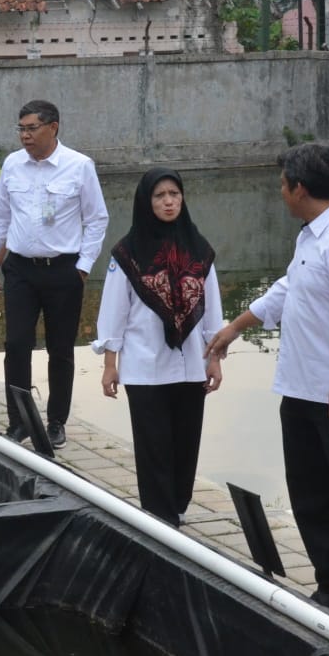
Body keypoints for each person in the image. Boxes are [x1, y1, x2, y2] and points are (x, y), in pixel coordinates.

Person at [206, 143, 329, 647]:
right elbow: (289, 289)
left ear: (299, 188)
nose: (280, 193)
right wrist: (235, 328)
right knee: (311, 493)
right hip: (301, 387)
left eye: (282, 185)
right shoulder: (311, 238)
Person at [93, 168, 223, 525]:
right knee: (153, 449)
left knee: (185, 444)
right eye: (160, 196)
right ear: (146, 201)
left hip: (191, 365)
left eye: (174, 195)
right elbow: (114, 313)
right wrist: (109, 364)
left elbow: (212, 310)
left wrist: (214, 358)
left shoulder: (199, 250)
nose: (169, 202)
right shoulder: (127, 254)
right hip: (144, 367)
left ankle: (177, 507)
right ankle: (160, 519)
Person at [0, 100, 108, 450]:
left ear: (53, 127)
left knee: (61, 348)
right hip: (20, 268)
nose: (25, 136)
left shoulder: (79, 166)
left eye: (31, 128)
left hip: (64, 270)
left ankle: (55, 422)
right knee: (16, 344)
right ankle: (18, 420)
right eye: (21, 129)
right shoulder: (12, 164)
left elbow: (97, 219)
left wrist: (83, 266)